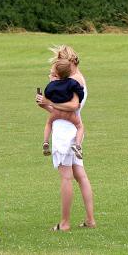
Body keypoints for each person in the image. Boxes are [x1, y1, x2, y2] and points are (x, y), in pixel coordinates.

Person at [35, 45, 96, 231]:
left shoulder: (71, 82)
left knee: (66, 177)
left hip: (64, 132)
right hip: (73, 128)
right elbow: (66, 109)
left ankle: (65, 222)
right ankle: (90, 219)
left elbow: (70, 107)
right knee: (80, 175)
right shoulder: (77, 79)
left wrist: (48, 103)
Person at [41, 59, 85, 158]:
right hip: (69, 114)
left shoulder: (51, 86)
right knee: (80, 126)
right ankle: (78, 145)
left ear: (56, 75)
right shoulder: (72, 83)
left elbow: (47, 94)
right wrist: (79, 101)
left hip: (55, 113)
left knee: (49, 123)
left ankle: (46, 142)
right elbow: (80, 92)